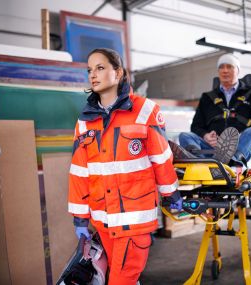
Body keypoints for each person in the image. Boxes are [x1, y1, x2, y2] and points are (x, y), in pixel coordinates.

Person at [68, 48, 182, 285]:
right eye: (90, 70)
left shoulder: (145, 110)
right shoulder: (85, 120)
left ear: (118, 72)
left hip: (134, 219)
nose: (93, 75)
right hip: (102, 220)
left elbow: (161, 159)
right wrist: (80, 217)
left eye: (100, 68)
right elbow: (80, 173)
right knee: (122, 277)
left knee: (121, 280)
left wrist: (171, 193)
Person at [179, 53, 251, 167]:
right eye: (221, 67)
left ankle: (233, 160)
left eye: (229, 66)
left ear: (238, 70)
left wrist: (241, 135)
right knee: (184, 136)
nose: (225, 70)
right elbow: (196, 126)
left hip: (241, 145)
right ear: (218, 72)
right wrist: (205, 135)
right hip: (212, 150)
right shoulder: (207, 97)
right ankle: (201, 161)